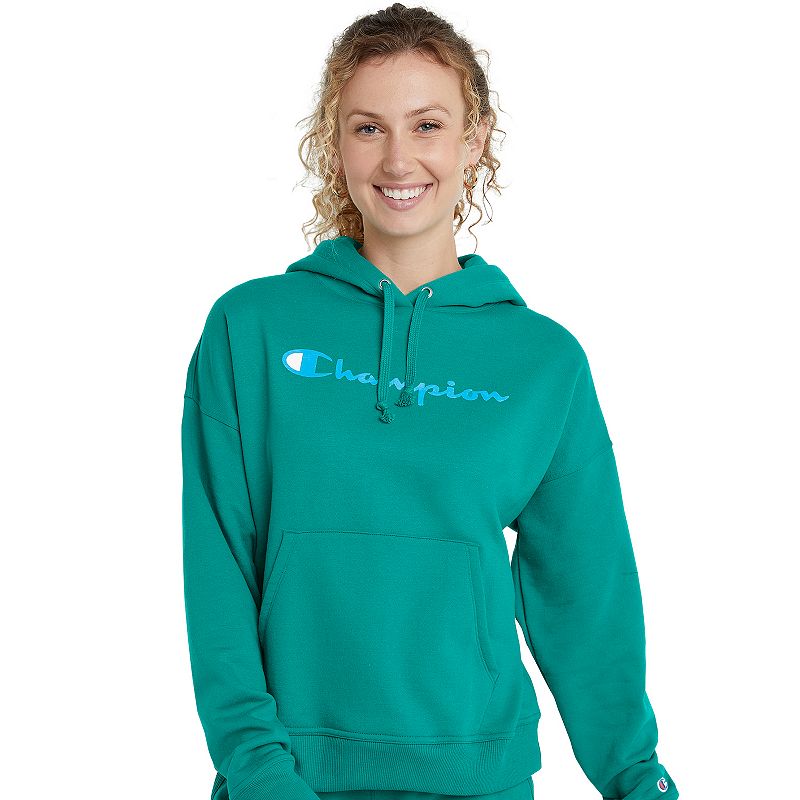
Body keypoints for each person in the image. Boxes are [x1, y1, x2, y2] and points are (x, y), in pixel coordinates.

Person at [181, 4, 680, 800]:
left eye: (427, 126)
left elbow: (585, 594)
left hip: (479, 776)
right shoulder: (252, 328)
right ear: (334, 143)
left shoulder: (543, 361)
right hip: (286, 778)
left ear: (472, 141)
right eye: (368, 128)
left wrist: (635, 776)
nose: (398, 158)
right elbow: (219, 566)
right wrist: (259, 771)